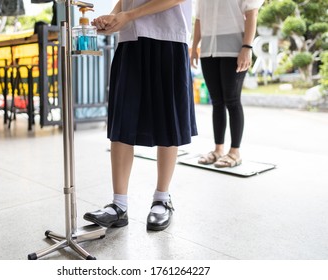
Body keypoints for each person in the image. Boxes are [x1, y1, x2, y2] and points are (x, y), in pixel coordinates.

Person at [83, 0, 197, 231]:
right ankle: (119, 205)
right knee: (122, 121)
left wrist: (129, 15)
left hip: (169, 37)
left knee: (168, 122)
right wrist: (114, 17)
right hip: (130, 39)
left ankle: (162, 198)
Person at [190, 0, 264, 168]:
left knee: (232, 100)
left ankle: (235, 152)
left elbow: (252, 13)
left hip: (235, 49)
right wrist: (194, 46)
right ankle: (218, 150)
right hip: (209, 49)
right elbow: (199, 19)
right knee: (217, 102)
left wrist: (247, 46)